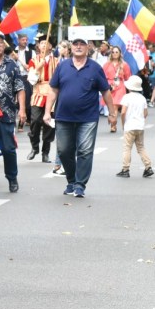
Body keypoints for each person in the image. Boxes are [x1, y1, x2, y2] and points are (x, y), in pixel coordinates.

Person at [49, 38, 115, 198]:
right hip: (63, 116)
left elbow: (105, 91)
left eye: (82, 44)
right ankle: (71, 180)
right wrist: (47, 112)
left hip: (88, 118)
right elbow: (53, 90)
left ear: (88, 48)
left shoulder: (95, 68)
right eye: (76, 44)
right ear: (71, 47)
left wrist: (112, 113)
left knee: (85, 151)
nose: (78, 47)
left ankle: (80, 185)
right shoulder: (62, 66)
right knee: (64, 151)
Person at [0, 35, 25, 192]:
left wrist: (22, 109)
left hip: (6, 112)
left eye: (0, 43)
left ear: (4, 46)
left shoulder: (12, 64)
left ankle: (12, 178)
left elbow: (19, 88)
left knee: (8, 148)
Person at [116, 75, 153, 178]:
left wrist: (123, 124)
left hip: (130, 126)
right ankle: (148, 166)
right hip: (140, 126)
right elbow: (145, 113)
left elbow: (123, 112)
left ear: (128, 87)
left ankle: (125, 169)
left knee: (127, 148)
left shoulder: (126, 97)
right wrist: (140, 120)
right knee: (141, 147)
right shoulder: (142, 98)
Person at [27, 39, 58, 162]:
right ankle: (35, 147)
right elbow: (31, 80)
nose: (44, 45)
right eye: (42, 43)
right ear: (38, 46)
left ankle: (46, 152)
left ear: (51, 47)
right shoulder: (33, 61)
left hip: (52, 94)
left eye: (47, 43)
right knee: (35, 121)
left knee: (50, 124)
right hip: (38, 93)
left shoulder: (56, 61)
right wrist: (40, 65)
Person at [103, 46, 131, 132]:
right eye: (113, 52)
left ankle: (113, 125)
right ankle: (112, 119)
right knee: (110, 106)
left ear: (120, 54)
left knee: (114, 106)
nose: (115, 54)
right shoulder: (106, 64)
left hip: (120, 86)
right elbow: (102, 76)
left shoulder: (124, 64)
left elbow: (128, 77)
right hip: (109, 86)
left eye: (116, 52)